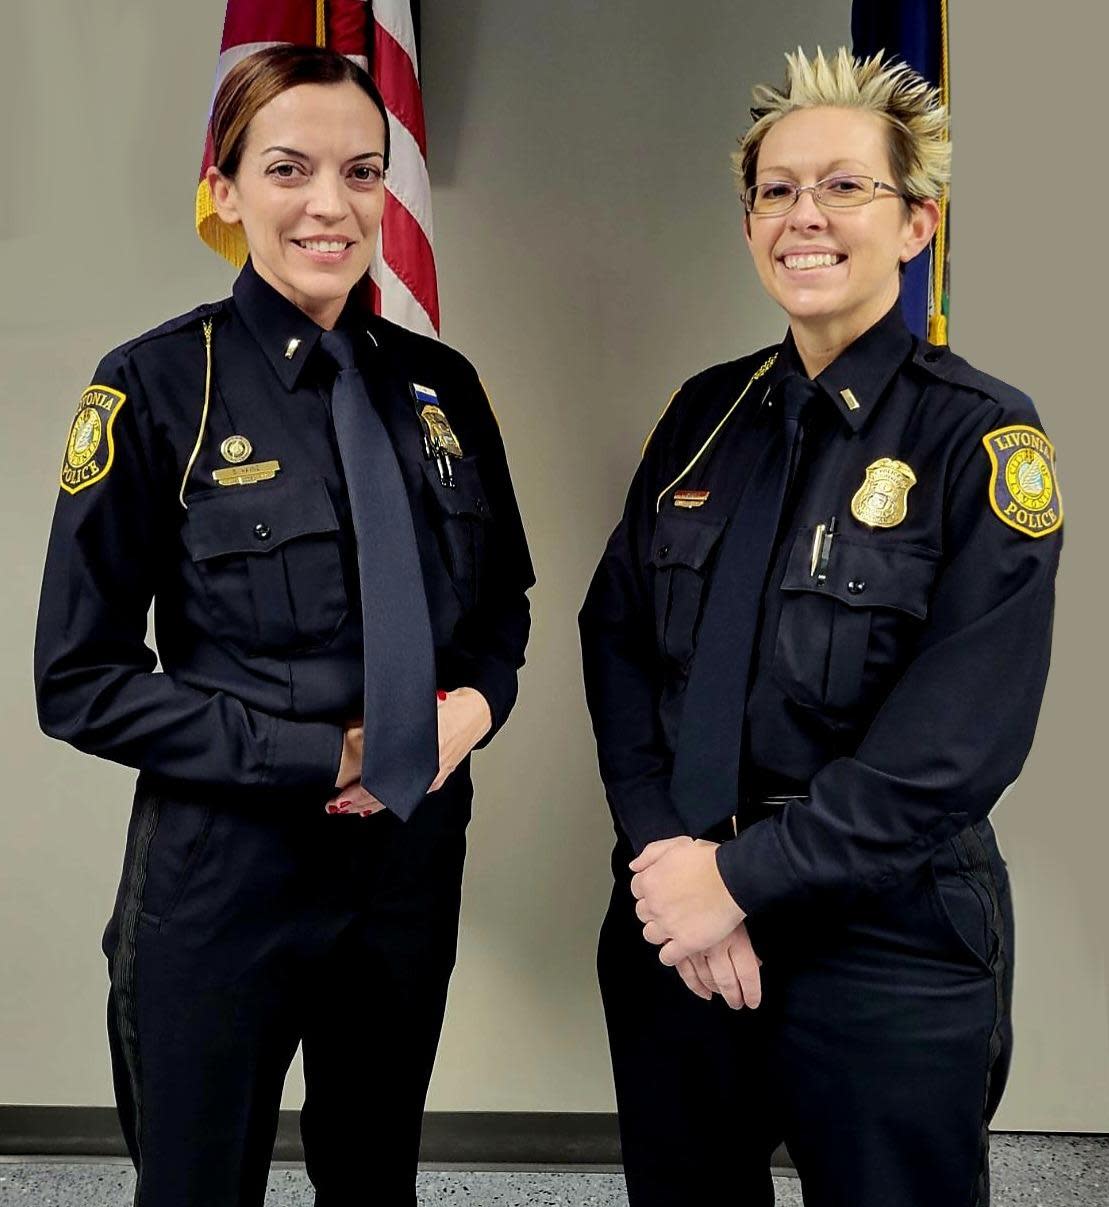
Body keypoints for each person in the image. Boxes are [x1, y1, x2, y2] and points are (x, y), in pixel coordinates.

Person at [35, 45, 532, 1207]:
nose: (329, 203)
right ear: (224, 190)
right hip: (224, 876)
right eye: (288, 167)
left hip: (406, 867)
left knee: (374, 1182)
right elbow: (80, 679)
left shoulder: (440, 387)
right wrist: (330, 754)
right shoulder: (156, 386)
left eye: (361, 171)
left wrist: (473, 704)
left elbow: (500, 601)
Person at [579, 47, 1061, 1207]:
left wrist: (738, 879)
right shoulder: (703, 414)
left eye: (844, 186)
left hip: (881, 937)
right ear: (748, 222)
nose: (805, 216)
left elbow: (952, 745)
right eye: (776, 190)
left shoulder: (980, 438)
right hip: (676, 921)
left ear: (913, 222)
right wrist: (670, 867)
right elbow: (618, 639)